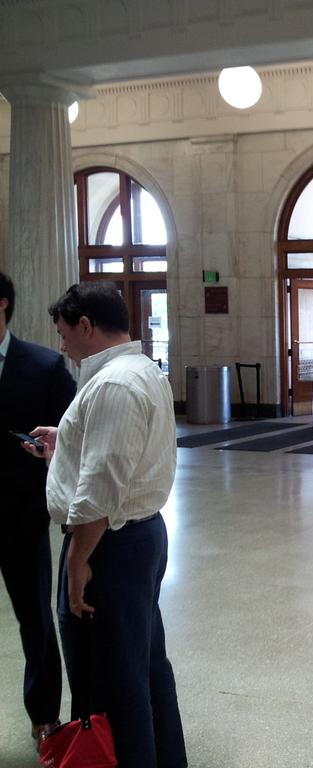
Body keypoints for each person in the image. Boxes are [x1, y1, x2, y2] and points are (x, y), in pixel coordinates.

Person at [28, 281, 186, 767]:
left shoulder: (113, 384)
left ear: (86, 326)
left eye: (63, 333)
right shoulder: (140, 370)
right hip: (136, 535)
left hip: (109, 545)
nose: (61, 345)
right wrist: (66, 442)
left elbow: (101, 487)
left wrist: (78, 563)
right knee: (144, 663)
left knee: (113, 680)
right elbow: (117, 453)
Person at [0, 272, 76, 750]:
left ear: (2, 304)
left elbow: (73, 438)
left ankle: (44, 714)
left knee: (35, 619)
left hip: (21, 518)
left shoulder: (45, 366)